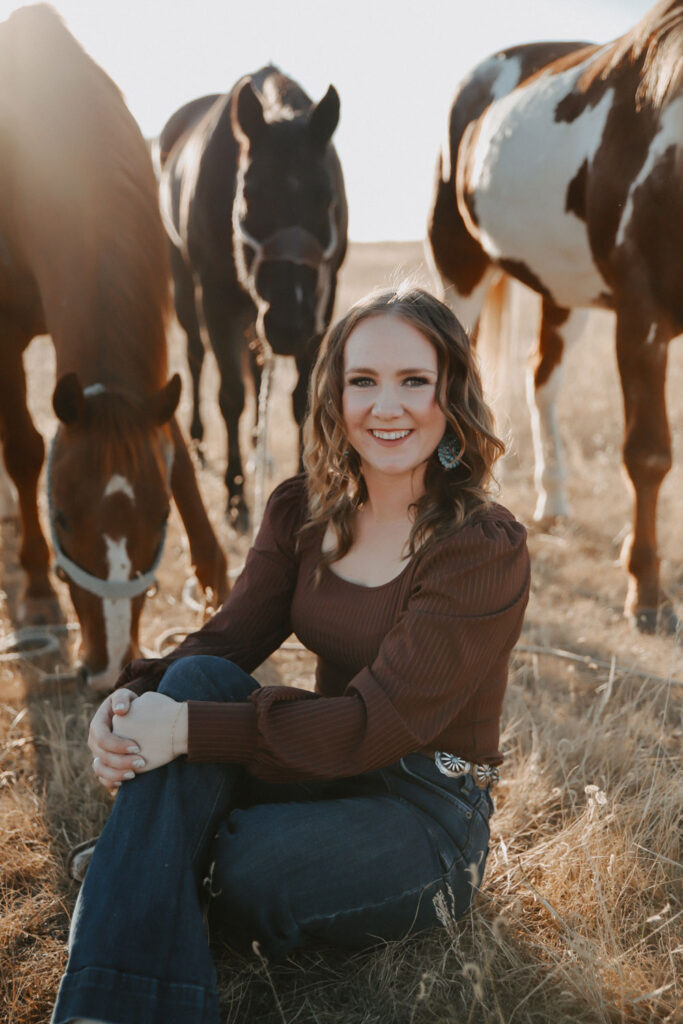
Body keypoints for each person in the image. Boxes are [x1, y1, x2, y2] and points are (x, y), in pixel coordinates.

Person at [53, 286, 530, 1024]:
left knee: (251, 864)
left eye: (414, 381)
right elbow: (223, 643)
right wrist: (126, 698)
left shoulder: (478, 546)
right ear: (334, 396)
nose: (386, 406)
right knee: (192, 679)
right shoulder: (300, 510)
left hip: (421, 808)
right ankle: (113, 1007)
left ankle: (146, 858)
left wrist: (179, 733)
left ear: (450, 397)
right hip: (314, 763)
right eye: (362, 381)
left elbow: (373, 727)